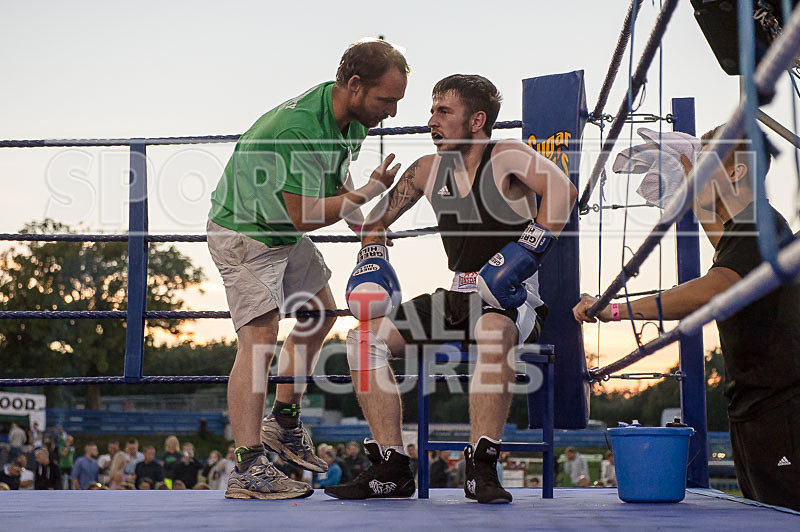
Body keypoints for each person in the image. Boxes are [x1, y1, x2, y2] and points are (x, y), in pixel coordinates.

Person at [325, 74, 576, 504]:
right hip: (456, 297)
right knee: (362, 340)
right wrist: (373, 258)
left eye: (444, 111)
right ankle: (392, 465)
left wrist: (523, 253)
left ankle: (482, 465)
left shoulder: (508, 155)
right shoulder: (425, 169)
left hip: (511, 298)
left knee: (494, 331)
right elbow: (375, 224)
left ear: (477, 119)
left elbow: (562, 190)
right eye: (432, 110)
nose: (431, 120)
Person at [206, 38, 409, 501]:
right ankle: (248, 468)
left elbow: (337, 178)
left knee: (321, 313)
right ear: (355, 86)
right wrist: (367, 195)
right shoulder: (297, 129)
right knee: (258, 339)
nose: (393, 113)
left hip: (279, 229)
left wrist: (365, 227)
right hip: (246, 231)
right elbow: (305, 215)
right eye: (387, 100)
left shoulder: (350, 118)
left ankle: (282, 419)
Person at [574, 126, 800, 509]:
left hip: (783, 411)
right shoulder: (748, 230)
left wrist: (614, 308)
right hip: (758, 407)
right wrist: (690, 190)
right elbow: (725, 246)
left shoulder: (760, 225)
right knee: (766, 511)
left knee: (784, 514)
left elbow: (713, 287)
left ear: (735, 172)